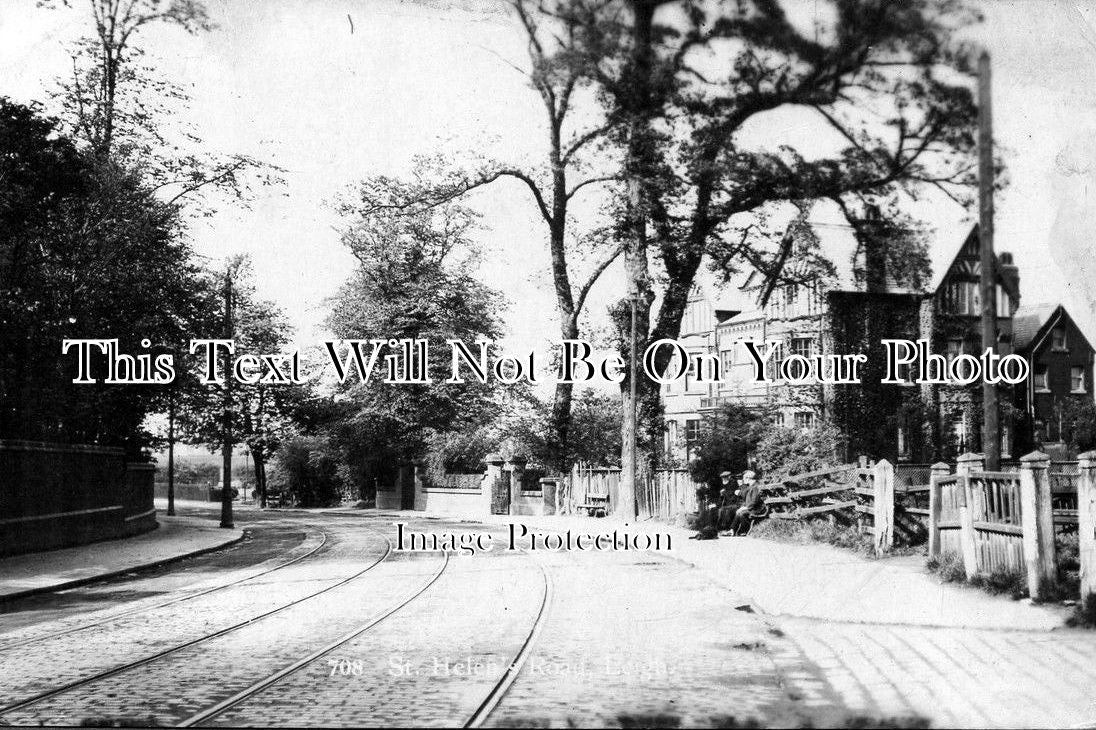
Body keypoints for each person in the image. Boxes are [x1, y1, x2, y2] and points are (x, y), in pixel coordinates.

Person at [725, 469, 766, 536]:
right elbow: (749, 500)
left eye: (744, 478)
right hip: (753, 507)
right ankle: (733, 530)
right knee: (739, 512)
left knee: (741, 513)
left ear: (748, 478)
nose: (743, 480)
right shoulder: (751, 486)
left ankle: (742, 531)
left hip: (757, 509)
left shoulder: (755, 487)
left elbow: (754, 501)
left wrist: (745, 508)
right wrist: (743, 507)